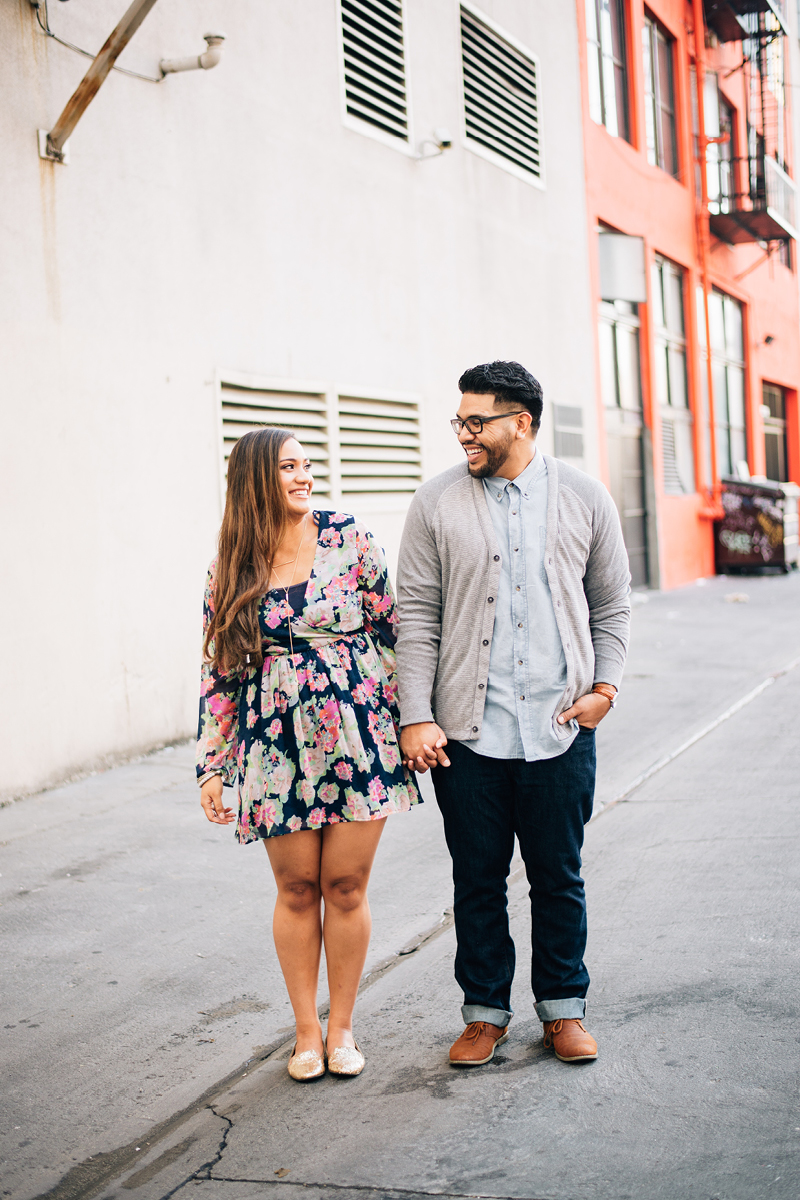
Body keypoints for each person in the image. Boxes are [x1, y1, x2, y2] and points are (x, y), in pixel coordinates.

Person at [395, 361, 630, 1067]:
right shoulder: (435, 502)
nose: (464, 433)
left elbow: (611, 605)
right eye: (459, 421)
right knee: (478, 879)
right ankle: (483, 1013)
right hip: (468, 736)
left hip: (560, 729)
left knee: (558, 876)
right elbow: (417, 618)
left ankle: (563, 1008)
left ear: (520, 423)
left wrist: (604, 692)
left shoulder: (585, 497)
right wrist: (415, 714)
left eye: (476, 422)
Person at [197, 427, 420, 1082]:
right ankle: (305, 1034)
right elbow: (221, 671)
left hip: (357, 738)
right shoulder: (231, 564)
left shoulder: (348, 537)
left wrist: (414, 723)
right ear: (257, 478)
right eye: (288, 466)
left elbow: (394, 632)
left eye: (307, 465)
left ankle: (344, 1027)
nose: (303, 476)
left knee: (344, 886)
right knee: (297, 889)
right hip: (275, 748)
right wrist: (214, 766)